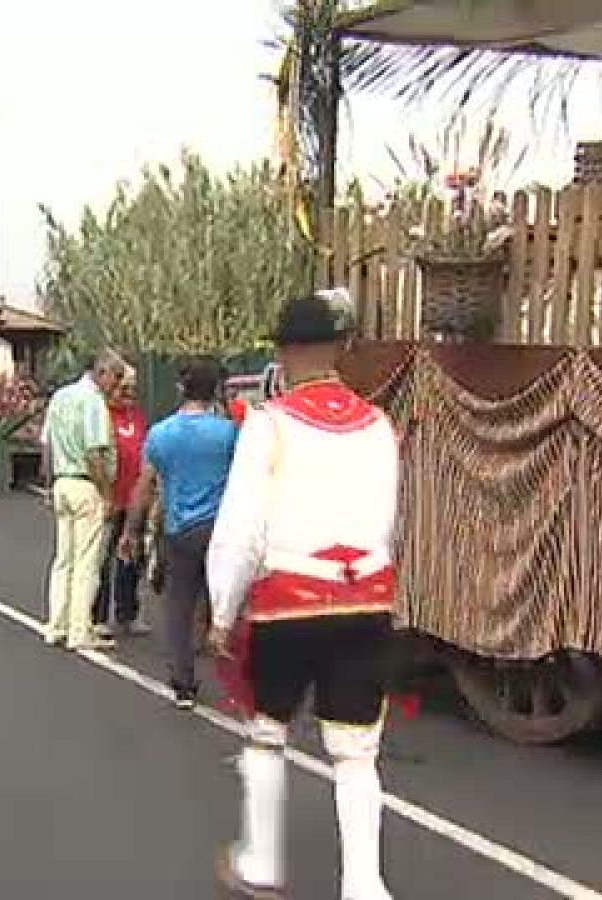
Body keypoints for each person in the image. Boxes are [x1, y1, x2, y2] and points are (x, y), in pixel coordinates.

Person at [206, 291, 400, 899]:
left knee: (267, 734)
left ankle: (262, 863)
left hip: (289, 600)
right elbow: (390, 520)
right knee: (356, 752)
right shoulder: (378, 425)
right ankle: (365, 887)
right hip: (365, 600)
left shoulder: (270, 424)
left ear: (287, 352)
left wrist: (221, 610)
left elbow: (241, 526)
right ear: (340, 350)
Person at [118, 357, 237, 709]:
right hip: (220, 528)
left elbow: (144, 486)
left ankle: (183, 681)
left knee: (179, 605)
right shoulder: (228, 433)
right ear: (215, 390)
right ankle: (239, 678)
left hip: (179, 528)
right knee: (227, 601)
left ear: (182, 388)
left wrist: (131, 531)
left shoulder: (161, 434)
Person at [40, 350, 126, 652]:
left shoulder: (60, 397)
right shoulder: (92, 401)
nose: (116, 385)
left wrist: (49, 484)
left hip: (62, 480)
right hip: (85, 483)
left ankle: (56, 624)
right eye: (115, 377)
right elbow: (94, 452)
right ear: (101, 372)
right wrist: (106, 492)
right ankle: (79, 630)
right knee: (87, 561)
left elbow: (47, 444)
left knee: (63, 558)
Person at [93, 366, 149, 638]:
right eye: (122, 388)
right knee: (103, 559)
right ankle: (97, 615)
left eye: (131, 390)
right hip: (109, 499)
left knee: (131, 558)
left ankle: (128, 613)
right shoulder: (101, 416)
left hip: (134, 498)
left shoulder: (137, 417)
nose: (127, 394)